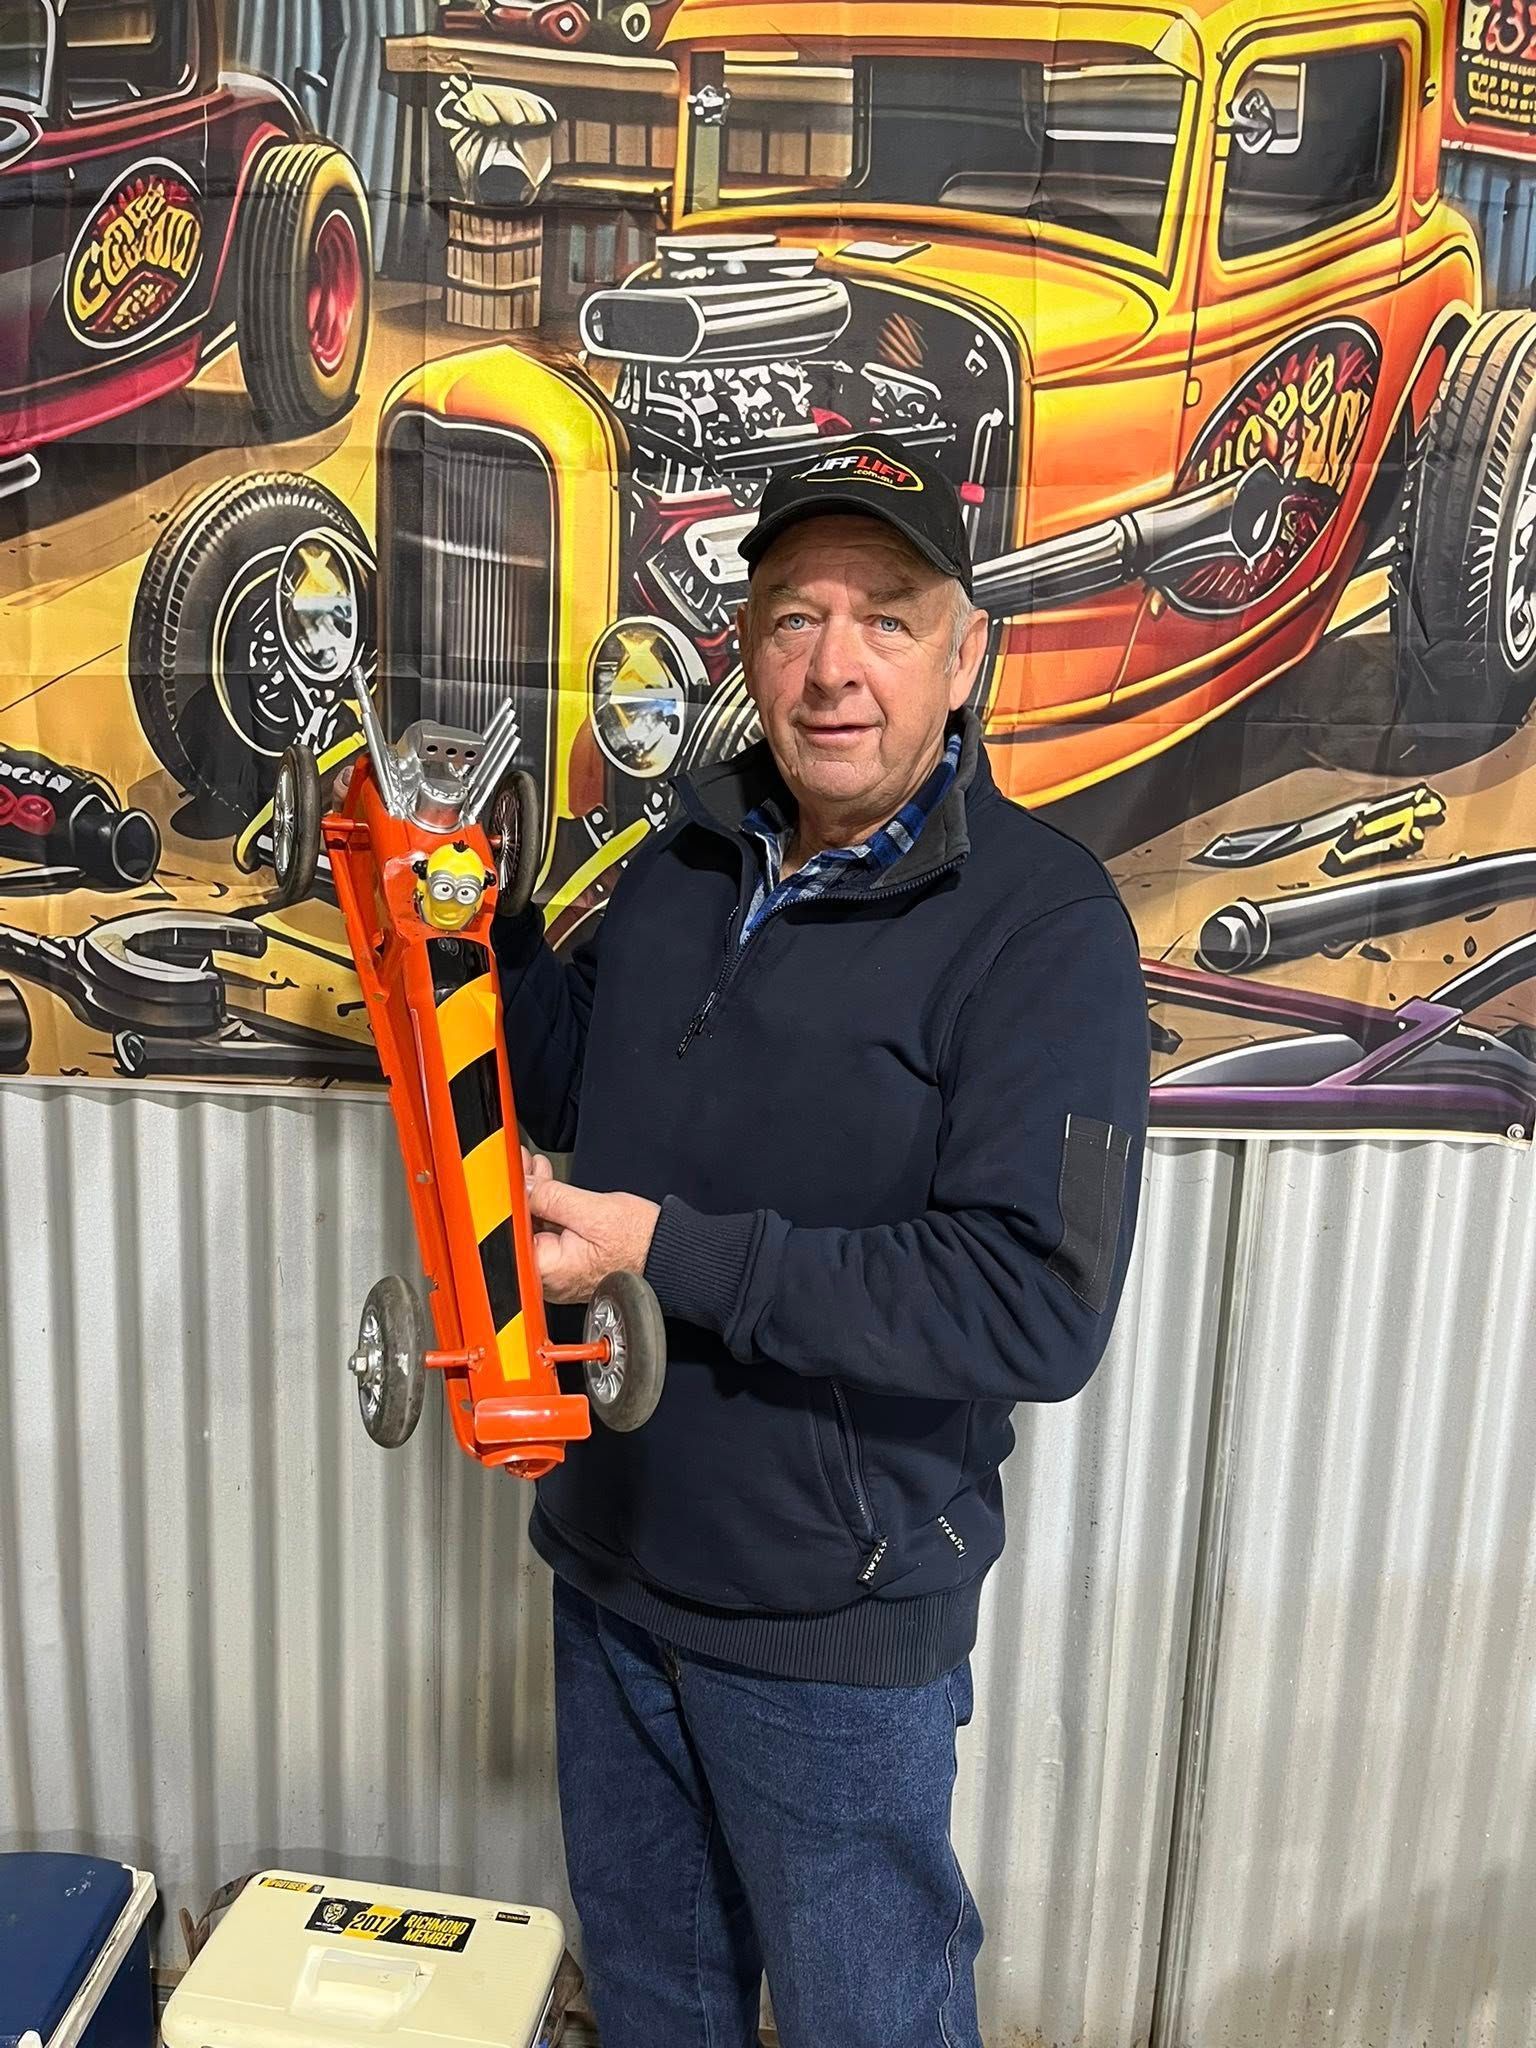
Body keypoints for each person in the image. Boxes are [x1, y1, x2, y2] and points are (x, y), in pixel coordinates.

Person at [494, 434, 1149, 2048]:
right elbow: (574, 1072)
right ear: (746, 651)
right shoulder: (687, 862)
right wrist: (480, 918)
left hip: (828, 1637)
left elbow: (1032, 1307)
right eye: (793, 618)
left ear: (965, 650)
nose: (834, 667)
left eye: (887, 617)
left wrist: (670, 1252)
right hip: (611, 1571)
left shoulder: (1043, 928)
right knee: (658, 2009)